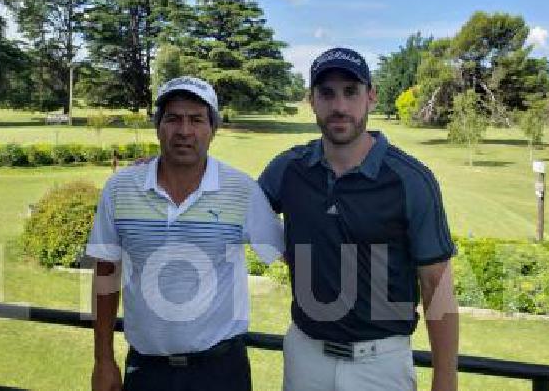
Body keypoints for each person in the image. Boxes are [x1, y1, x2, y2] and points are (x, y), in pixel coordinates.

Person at [258, 47, 459, 391]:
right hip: (305, 355)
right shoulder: (289, 169)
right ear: (312, 100)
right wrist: (160, 169)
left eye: (351, 92)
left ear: (371, 97)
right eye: (327, 93)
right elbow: (236, 205)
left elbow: (435, 284)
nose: (339, 106)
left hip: (381, 363)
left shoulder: (410, 179)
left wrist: (445, 379)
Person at [86, 76, 284, 391]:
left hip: (221, 372)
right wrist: (103, 360)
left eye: (196, 120)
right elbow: (105, 274)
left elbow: (290, 253)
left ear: (213, 129)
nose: (184, 131)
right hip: (147, 371)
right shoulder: (120, 189)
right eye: (173, 119)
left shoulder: (241, 191)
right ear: (158, 126)